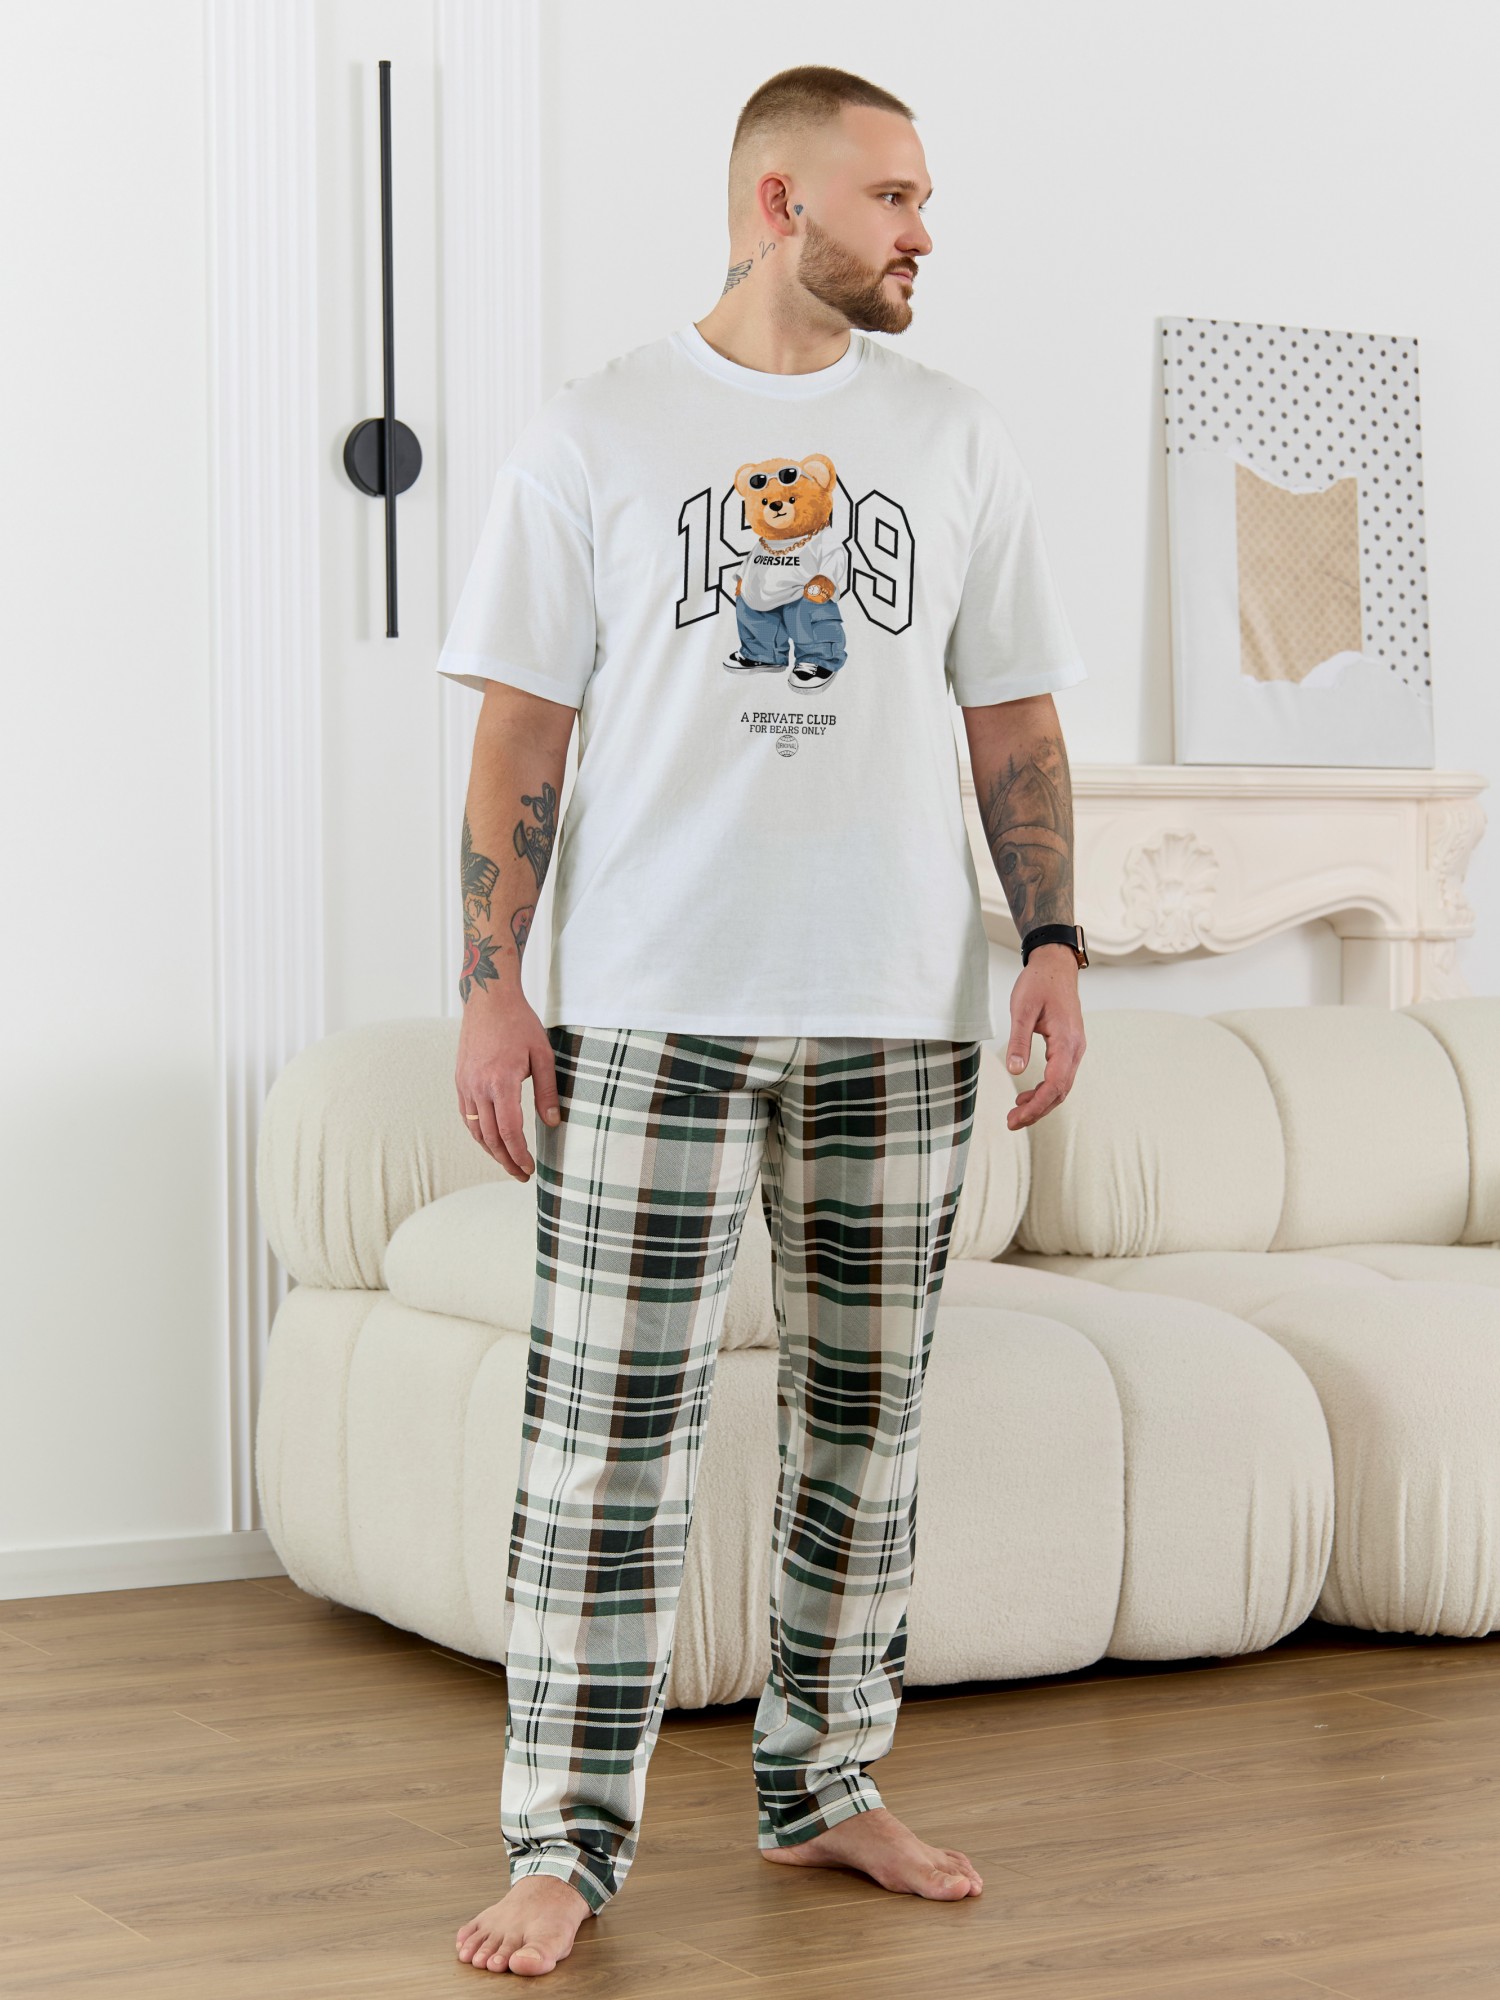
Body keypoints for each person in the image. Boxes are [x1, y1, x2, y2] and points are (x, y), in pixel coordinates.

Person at [439, 63, 1090, 1979]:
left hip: (902, 1007)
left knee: (866, 1430)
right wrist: (490, 986)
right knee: (605, 1440)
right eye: (892, 197)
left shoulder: (954, 435)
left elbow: (1015, 717)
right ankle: (562, 1841)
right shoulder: (599, 428)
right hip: (651, 1003)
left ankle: (825, 1785)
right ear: (777, 202)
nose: (923, 232)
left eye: (924, 198)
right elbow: (519, 737)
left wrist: (1056, 940)